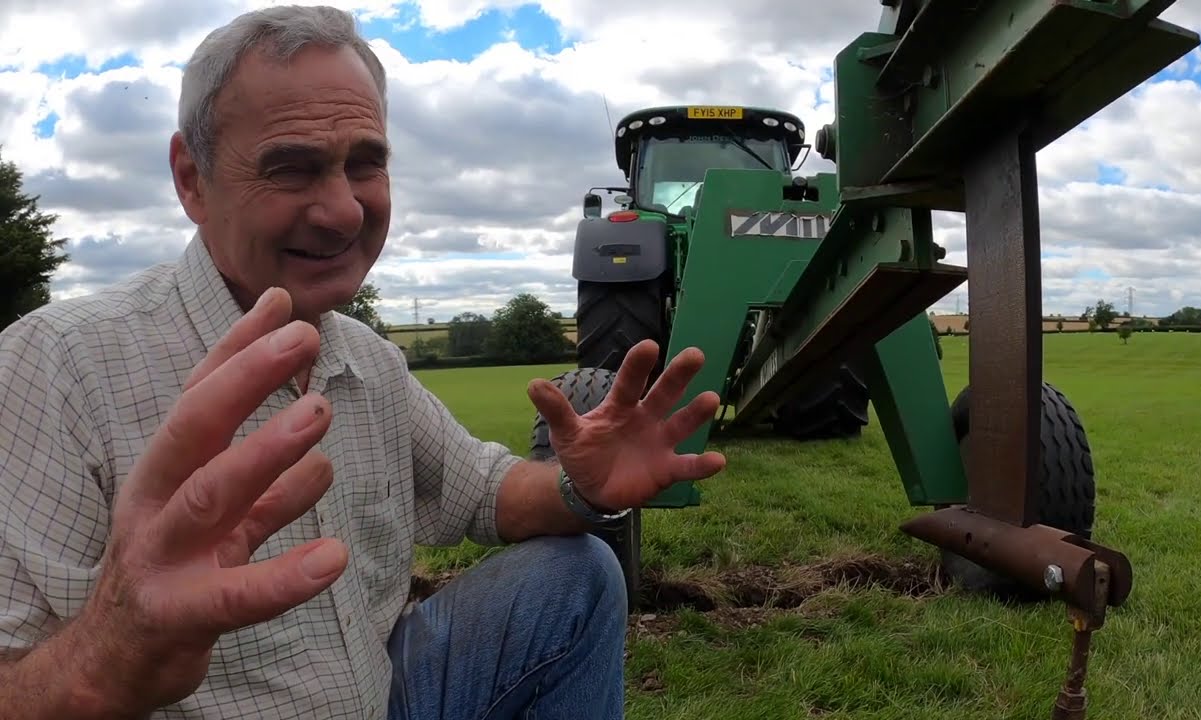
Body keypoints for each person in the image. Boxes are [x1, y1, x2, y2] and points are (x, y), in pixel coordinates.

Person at [0, 5, 726, 719]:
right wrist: (109, 653)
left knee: (578, 575)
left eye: (365, 164)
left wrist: (583, 491)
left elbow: (482, 490)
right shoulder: (57, 366)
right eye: (292, 168)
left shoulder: (368, 363)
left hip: (384, 698)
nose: (344, 211)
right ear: (192, 178)